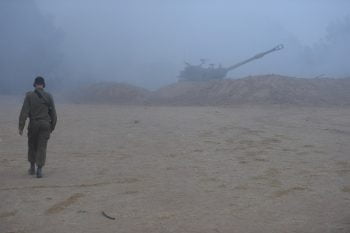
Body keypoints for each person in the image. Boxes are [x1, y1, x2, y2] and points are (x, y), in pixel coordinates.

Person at [18, 76, 57, 178]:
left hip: (34, 124)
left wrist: (21, 126)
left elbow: (24, 112)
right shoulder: (49, 96)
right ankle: (39, 169)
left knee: (32, 145)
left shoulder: (29, 96)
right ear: (43, 85)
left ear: (34, 84)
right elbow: (54, 114)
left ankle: (32, 168)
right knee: (42, 147)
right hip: (45, 125)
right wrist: (51, 127)